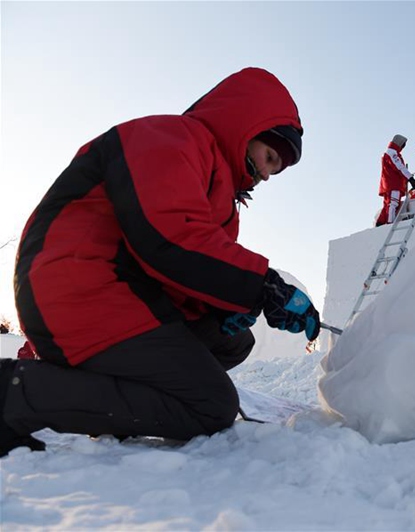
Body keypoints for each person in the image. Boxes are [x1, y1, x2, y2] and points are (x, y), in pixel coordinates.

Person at [0, 67, 321, 457]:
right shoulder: (172, 139)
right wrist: (262, 285)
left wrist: (220, 307)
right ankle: (17, 395)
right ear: (245, 127)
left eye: (276, 170)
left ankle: (106, 408)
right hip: (76, 287)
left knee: (231, 341)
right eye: (269, 157)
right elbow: (166, 237)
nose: (267, 175)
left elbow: (178, 272)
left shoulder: (222, 199)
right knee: (209, 406)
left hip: (121, 292)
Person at [376, 134, 415, 226]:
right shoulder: (392, 153)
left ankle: (381, 223)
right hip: (393, 183)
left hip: (391, 183)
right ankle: (390, 223)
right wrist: (411, 179)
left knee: (388, 204)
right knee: (393, 203)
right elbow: (399, 167)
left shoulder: (391, 153)